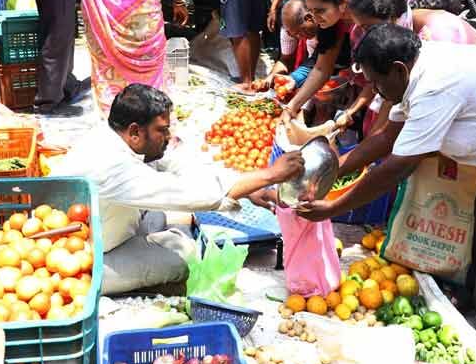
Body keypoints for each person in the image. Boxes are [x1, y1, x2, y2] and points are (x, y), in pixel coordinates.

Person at [297, 24, 476, 346]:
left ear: (397, 70)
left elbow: (396, 166)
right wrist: (330, 171)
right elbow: (385, 138)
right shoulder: (415, 69)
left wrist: (334, 207)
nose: (377, 92)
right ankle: (473, 298)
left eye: (378, 83)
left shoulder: (435, 85)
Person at [52, 83, 305, 294]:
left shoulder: (115, 137)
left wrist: (247, 185)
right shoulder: (111, 165)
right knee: (185, 259)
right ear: (135, 132)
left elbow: (178, 165)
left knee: (179, 222)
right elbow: (191, 194)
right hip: (84, 259)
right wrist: (270, 174)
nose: (168, 135)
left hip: (112, 225)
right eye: (162, 130)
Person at [339, 0, 476, 133]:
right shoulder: (398, 34)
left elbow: (392, 129)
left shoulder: (437, 37)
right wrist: (351, 112)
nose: (365, 35)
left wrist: (371, 146)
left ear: (392, 18)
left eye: (367, 28)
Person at [280, 0, 355, 123]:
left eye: (320, 10)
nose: (315, 17)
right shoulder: (331, 23)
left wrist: (352, 110)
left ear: (342, 2)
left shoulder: (367, 18)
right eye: (312, 11)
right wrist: (291, 107)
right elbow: (321, 68)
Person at [254, 0, 320, 91]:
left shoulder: (326, 26)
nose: (299, 37)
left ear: (309, 18)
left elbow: (321, 65)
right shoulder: (288, 29)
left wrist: (294, 79)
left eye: (299, 32)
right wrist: (269, 79)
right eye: (294, 34)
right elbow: (286, 60)